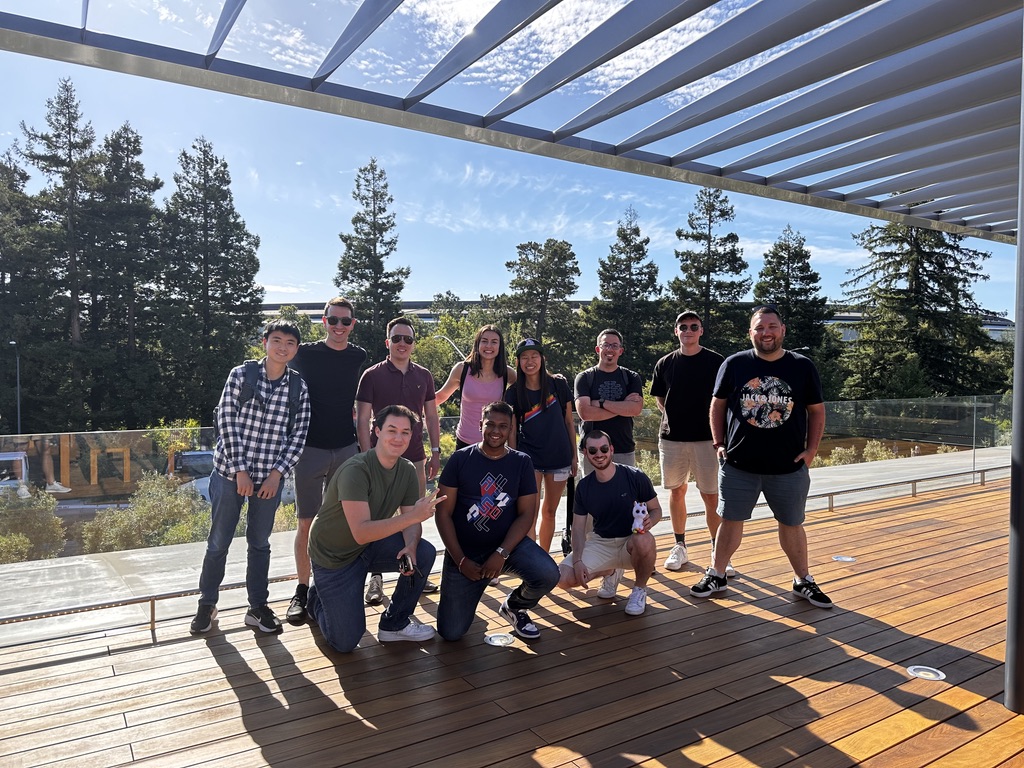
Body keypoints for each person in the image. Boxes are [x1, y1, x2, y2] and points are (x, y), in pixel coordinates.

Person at [690, 305, 832, 609]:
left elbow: (817, 411)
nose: (766, 333)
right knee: (730, 520)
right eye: (759, 328)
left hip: (788, 466)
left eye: (771, 326)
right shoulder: (734, 364)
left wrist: (811, 450)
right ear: (750, 332)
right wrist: (718, 443)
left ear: (783, 330)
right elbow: (717, 405)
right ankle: (717, 574)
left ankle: (803, 580)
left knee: (791, 523)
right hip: (739, 464)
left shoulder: (802, 366)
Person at [190, 320, 311, 635]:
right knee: (218, 541)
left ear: (296, 349)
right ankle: (207, 604)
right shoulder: (241, 375)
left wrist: (276, 475)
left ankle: (257, 606)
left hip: (270, 479)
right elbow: (226, 422)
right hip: (230, 473)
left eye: (290, 343)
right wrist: (241, 470)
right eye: (277, 340)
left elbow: (298, 437)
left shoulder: (298, 387)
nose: (283, 347)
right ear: (264, 342)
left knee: (259, 543)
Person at [306, 405, 444, 653]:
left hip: (369, 545)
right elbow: (362, 532)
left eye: (405, 432)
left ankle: (394, 624)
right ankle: (316, 599)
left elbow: (410, 523)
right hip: (334, 557)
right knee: (345, 642)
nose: (398, 438)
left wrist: (411, 546)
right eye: (392, 430)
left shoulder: (407, 470)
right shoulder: (356, 470)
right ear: (377, 431)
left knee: (423, 553)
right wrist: (413, 516)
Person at [435, 401, 559, 641]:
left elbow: (526, 514)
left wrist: (501, 553)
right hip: (465, 553)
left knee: (548, 574)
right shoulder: (460, 460)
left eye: (503, 426)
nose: (496, 431)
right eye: (490, 424)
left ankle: (515, 606)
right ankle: (467, 599)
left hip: (507, 548)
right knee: (451, 633)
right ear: (480, 424)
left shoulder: (521, 462)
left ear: (511, 429)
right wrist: (460, 560)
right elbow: (443, 514)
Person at [284, 297, 367, 624]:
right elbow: (277, 370)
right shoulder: (304, 353)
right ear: (324, 321)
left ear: (353, 324)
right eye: (333, 320)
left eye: (345, 321)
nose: (339, 326)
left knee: (341, 523)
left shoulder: (358, 356)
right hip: (309, 449)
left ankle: (328, 586)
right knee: (306, 522)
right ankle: (302, 590)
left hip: (346, 449)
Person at [355, 317, 441, 604]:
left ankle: (414, 569)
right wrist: (367, 458)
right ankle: (375, 579)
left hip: (414, 458)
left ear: (414, 344)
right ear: (387, 342)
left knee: (414, 514)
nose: (402, 343)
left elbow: (431, 416)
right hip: (379, 460)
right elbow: (363, 420)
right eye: (396, 338)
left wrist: (435, 451)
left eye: (408, 339)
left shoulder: (424, 375)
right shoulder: (371, 375)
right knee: (377, 518)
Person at [649, 311, 725, 571]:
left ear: (701, 330)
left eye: (694, 326)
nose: (688, 331)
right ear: (676, 331)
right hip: (673, 440)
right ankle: (679, 546)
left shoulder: (716, 361)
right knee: (676, 491)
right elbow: (661, 400)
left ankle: (718, 551)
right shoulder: (665, 363)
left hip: (707, 440)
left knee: (711, 495)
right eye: (683, 327)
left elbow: (724, 399)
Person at [557, 430, 663, 616]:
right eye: (593, 450)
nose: (599, 454)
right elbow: (578, 529)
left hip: (630, 542)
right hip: (601, 543)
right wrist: (578, 560)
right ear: (585, 453)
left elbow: (657, 510)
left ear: (612, 449)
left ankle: (639, 590)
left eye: (604, 449)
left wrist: (649, 521)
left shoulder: (635, 476)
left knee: (645, 539)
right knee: (562, 578)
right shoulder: (584, 487)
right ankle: (609, 571)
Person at [504, 338, 576, 554]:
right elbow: (511, 431)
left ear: (542, 358)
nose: (530, 361)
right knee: (530, 514)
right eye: (524, 357)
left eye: (534, 356)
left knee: (550, 512)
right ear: (518, 362)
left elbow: (569, 423)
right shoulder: (513, 392)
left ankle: (544, 558)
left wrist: (574, 457)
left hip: (559, 458)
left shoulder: (558, 385)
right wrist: (514, 462)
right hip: (529, 460)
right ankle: (532, 563)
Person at [435, 325, 517, 450]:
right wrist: (415, 408)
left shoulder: (507, 373)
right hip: (464, 442)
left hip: (495, 442)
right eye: (484, 341)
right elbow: (440, 396)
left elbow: (528, 388)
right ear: (477, 344)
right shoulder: (461, 369)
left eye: (494, 342)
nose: (488, 346)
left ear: (500, 347)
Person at [574, 329, 644, 475]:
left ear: (620, 351)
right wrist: (623, 407)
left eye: (614, 346)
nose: (610, 349)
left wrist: (600, 403)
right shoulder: (585, 378)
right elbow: (585, 413)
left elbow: (635, 409)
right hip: (593, 451)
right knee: (593, 490)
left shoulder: (631, 377)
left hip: (623, 448)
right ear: (597, 349)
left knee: (625, 489)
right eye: (605, 345)